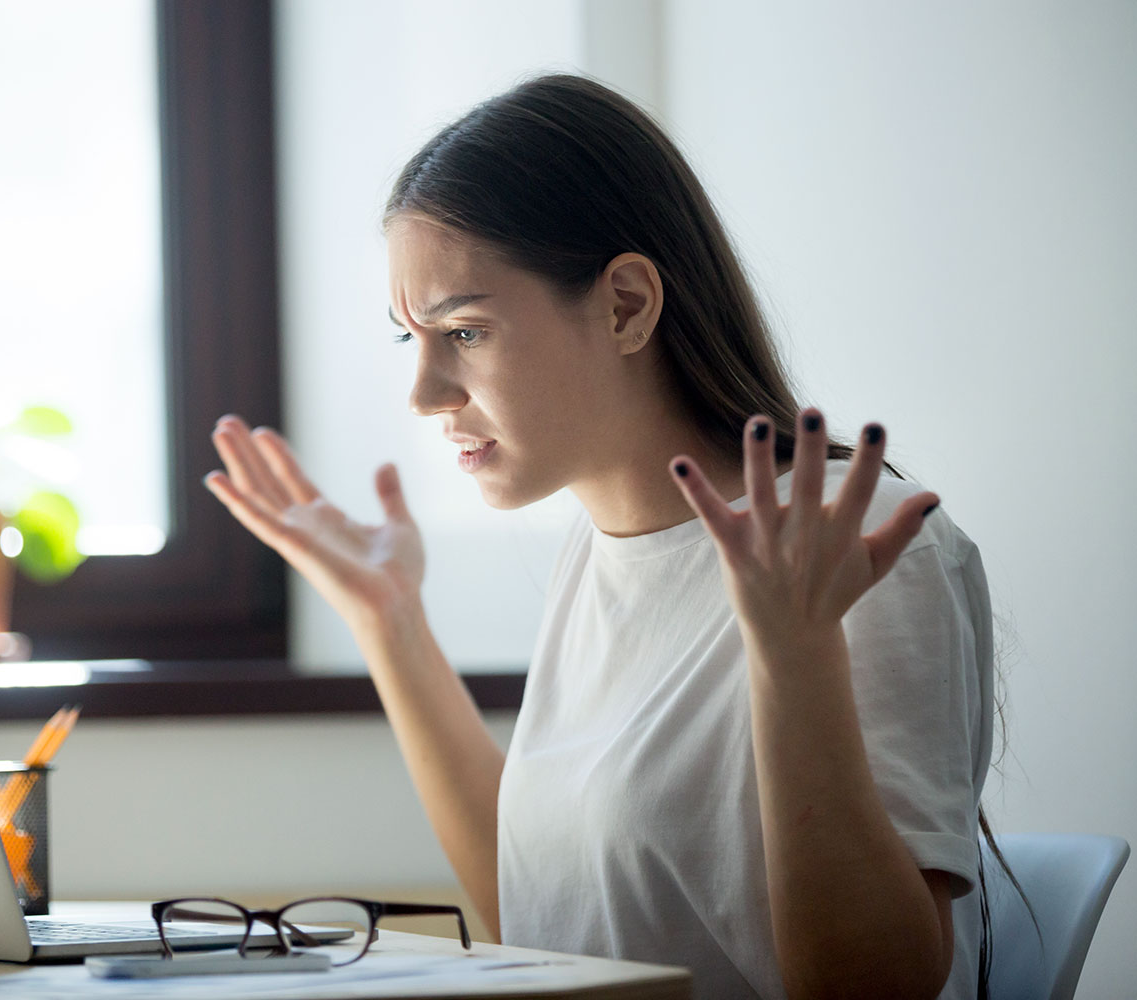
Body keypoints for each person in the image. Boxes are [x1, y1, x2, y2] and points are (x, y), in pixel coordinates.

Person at [203, 74, 995, 1000]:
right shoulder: (602, 548)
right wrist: (391, 623)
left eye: (464, 331)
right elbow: (548, 927)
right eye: (409, 339)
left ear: (625, 305)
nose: (424, 393)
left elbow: (873, 989)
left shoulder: (859, 553)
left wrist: (796, 653)